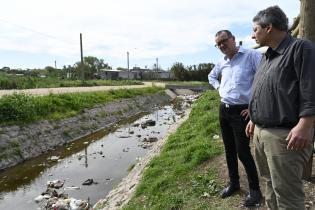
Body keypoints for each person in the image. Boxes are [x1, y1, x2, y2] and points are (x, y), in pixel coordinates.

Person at [246, 5, 315, 210]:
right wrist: (253, 118)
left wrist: (305, 124)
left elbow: (310, 88)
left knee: (287, 194)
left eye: (255, 29)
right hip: (260, 133)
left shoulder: (301, 48)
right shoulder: (267, 57)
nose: (252, 35)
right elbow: (266, 92)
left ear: (269, 28)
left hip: (285, 136)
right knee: (269, 185)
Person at [208, 30, 262, 207]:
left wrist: (253, 106)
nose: (222, 46)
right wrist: (219, 89)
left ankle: (255, 190)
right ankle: (234, 183)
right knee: (228, 149)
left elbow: (265, 80)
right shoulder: (222, 62)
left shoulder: (251, 55)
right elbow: (211, 76)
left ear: (232, 39)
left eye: (224, 41)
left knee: (243, 151)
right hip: (224, 109)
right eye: (218, 44)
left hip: (242, 112)